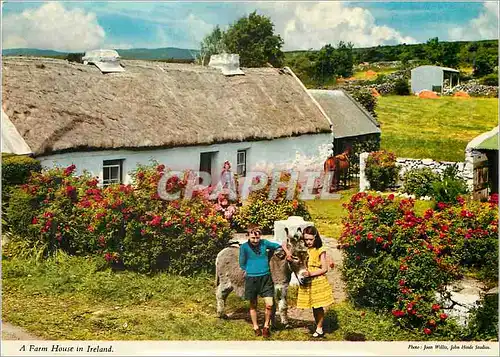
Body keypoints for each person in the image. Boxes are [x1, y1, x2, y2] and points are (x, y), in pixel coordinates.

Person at [239, 224, 291, 338]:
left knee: (270, 304)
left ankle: (266, 326)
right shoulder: (244, 247)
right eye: (253, 238)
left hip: (265, 278)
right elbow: (242, 263)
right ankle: (256, 327)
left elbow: (279, 246)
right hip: (252, 278)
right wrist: (249, 270)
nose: (256, 240)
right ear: (248, 236)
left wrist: (287, 252)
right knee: (253, 305)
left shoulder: (264, 243)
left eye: (258, 238)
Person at [296, 226, 334, 338]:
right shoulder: (304, 250)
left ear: (315, 238)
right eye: (306, 239)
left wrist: (311, 273)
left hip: (317, 280)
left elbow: (324, 268)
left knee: (318, 306)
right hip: (307, 281)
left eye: (310, 239)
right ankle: (318, 325)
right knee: (313, 305)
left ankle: (319, 328)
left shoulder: (320, 250)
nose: (308, 242)